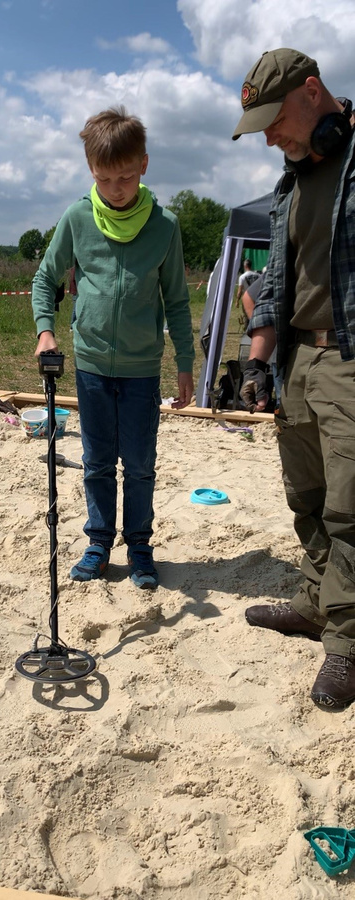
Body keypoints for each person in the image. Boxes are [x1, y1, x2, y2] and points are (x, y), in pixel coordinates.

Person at [233, 47, 355, 710]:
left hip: (349, 359)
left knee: (350, 508)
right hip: (297, 360)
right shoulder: (290, 185)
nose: (269, 138)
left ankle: (347, 643)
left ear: (313, 92)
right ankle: (314, 601)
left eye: (274, 121)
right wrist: (257, 359)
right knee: (306, 496)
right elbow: (277, 283)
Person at [32, 106, 194, 590]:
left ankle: (140, 547)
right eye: (104, 179)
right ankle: (99, 543)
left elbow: (177, 301)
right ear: (90, 170)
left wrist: (185, 365)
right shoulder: (77, 217)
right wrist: (45, 331)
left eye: (125, 176)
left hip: (142, 369)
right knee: (97, 462)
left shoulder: (165, 225)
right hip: (92, 366)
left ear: (143, 164)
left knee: (140, 465)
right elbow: (45, 278)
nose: (115, 189)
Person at [240, 272, 283, 407]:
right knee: (285, 407)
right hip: (287, 359)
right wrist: (254, 369)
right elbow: (248, 297)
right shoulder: (284, 263)